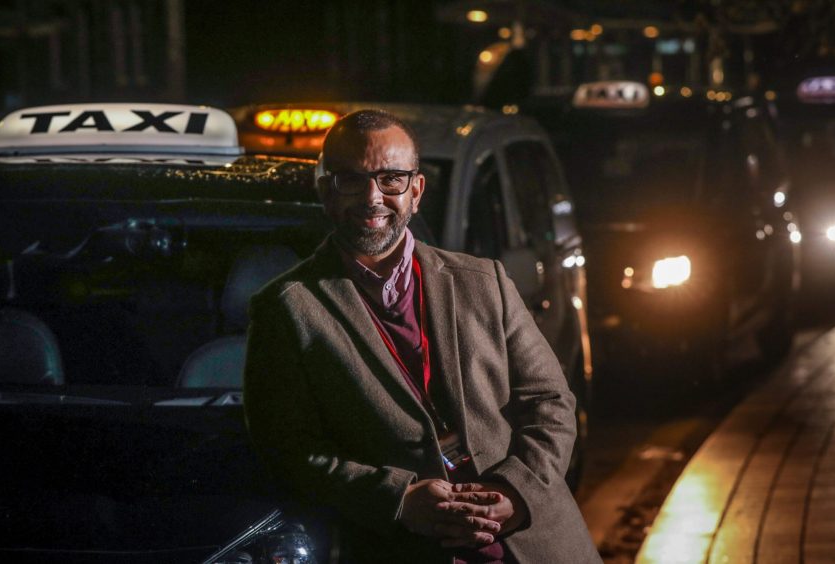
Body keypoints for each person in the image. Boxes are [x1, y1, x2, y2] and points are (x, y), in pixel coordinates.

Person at [244, 109, 602, 563]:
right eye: (352, 180)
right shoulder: (286, 309)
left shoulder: (484, 280)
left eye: (391, 178)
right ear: (326, 191)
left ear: (417, 190)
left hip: (534, 544)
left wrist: (516, 492)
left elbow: (551, 402)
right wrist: (398, 498)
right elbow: (289, 453)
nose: (373, 197)